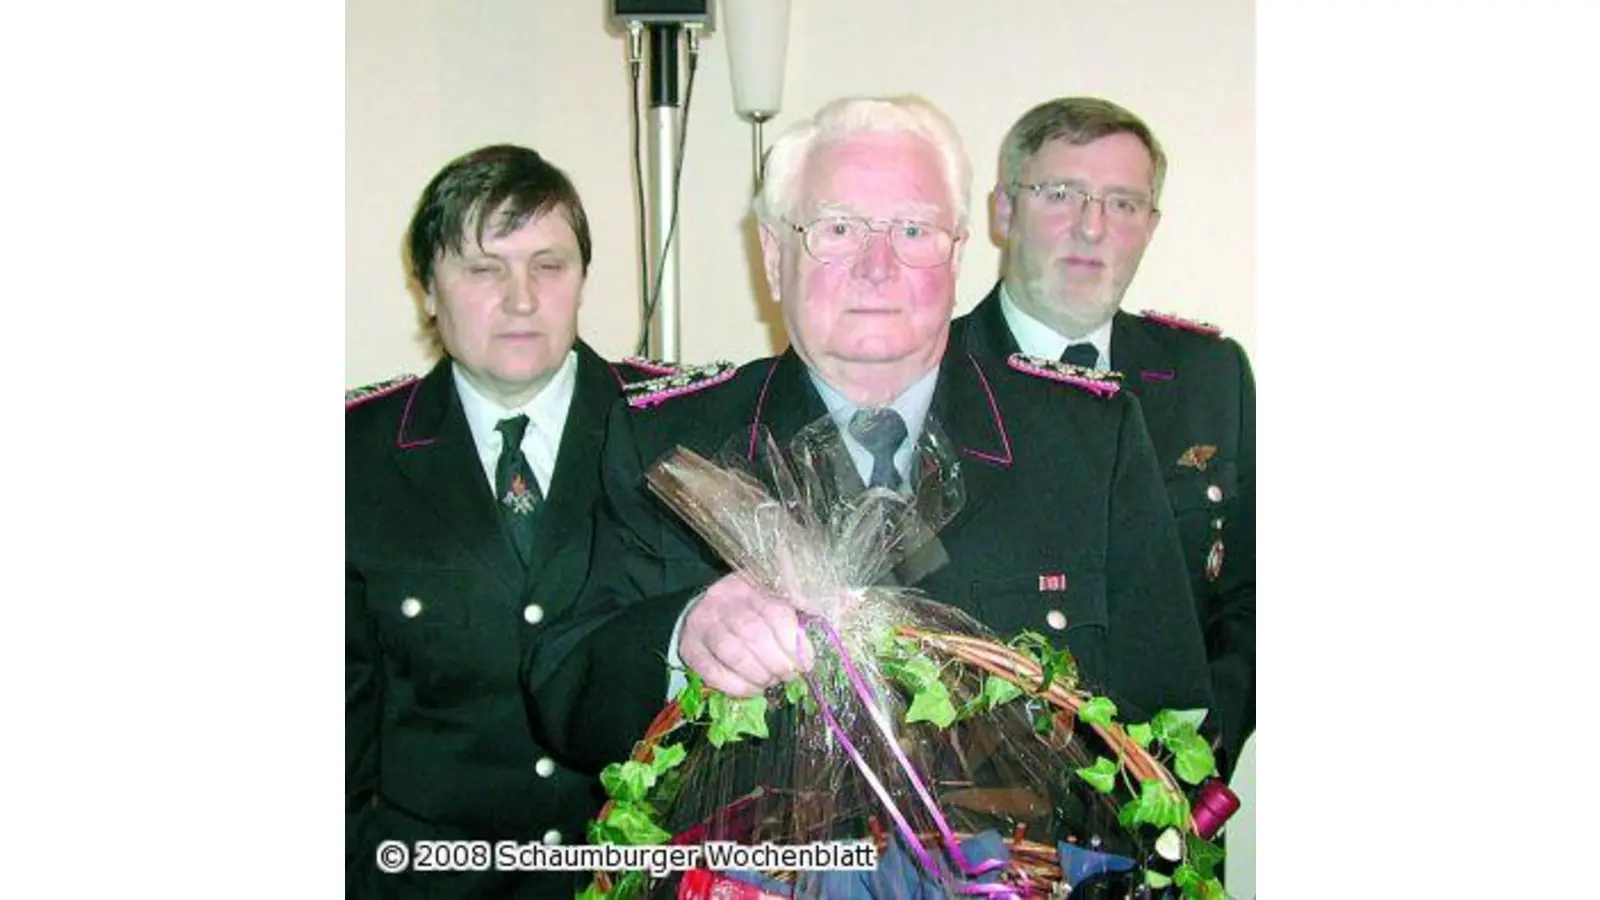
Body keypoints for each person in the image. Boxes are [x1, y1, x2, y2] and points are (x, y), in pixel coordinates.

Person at [524, 96, 1213, 778]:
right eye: (838, 229)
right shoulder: (666, 445)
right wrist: (684, 638)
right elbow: (564, 689)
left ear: (956, 254)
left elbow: (1164, 724)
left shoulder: (1088, 441)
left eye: (913, 231)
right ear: (772, 255)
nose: (877, 267)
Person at [346, 144, 670, 897]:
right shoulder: (351, 459)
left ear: (583, 279)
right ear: (428, 289)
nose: (520, 298)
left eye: (548, 266)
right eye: (484, 269)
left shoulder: (673, 427)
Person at [956, 96, 1255, 778]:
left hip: (1172, 819)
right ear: (1003, 211)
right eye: (1061, 194)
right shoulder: (927, 379)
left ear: (1150, 226)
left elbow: (1254, 593)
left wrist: (1199, 755)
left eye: (1122, 203)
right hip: (981, 827)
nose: (1092, 228)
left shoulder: (1210, 379)